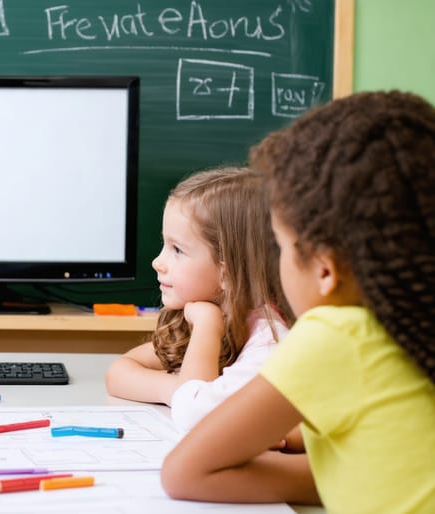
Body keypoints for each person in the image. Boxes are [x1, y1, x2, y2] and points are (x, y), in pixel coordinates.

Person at [161, 91, 435, 513]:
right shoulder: (406, 330)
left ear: (324, 271)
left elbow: (185, 473)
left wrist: (342, 474)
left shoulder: (337, 336)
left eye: (282, 247)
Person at [105, 167, 293, 431]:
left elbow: (195, 416)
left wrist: (207, 327)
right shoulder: (206, 311)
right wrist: (172, 388)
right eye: (164, 245)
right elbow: (119, 373)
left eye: (177, 250)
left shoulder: (268, 341)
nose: (158, 262)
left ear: (227, 272)